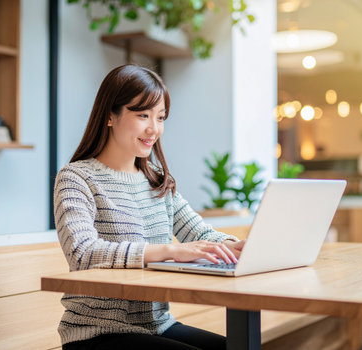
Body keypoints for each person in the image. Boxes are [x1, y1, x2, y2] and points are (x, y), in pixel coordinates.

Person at [54, 64, 245, 350]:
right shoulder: (76, 177)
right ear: (109, 115)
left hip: (158, 325)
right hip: (96, 333)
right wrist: (169, 250)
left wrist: (237, 246)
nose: (153, 129)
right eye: (142, 115)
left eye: (160, 117)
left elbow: (200, 234)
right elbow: (82, 252)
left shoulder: (156, 180)